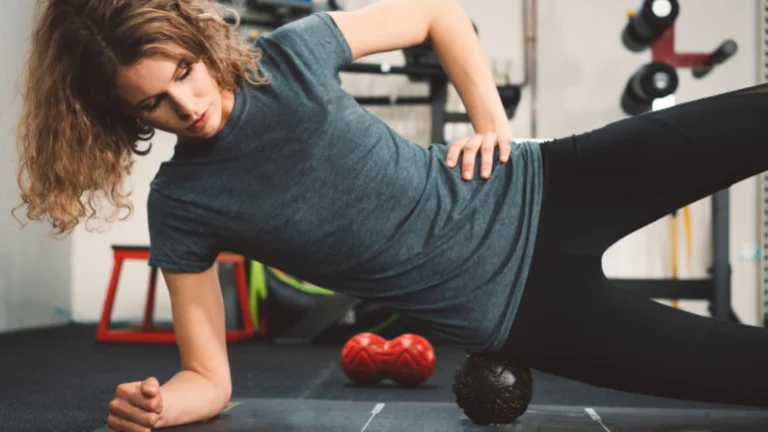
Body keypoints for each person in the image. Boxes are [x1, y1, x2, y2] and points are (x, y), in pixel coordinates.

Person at [12, 0, 768, 430]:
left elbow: (439, 14)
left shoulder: (290, 55)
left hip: (552, 182)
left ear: (198, 43)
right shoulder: (182, 206)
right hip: (524, 316)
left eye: (184, 72)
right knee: (746, 376)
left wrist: (491, 124)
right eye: (154, 103)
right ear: (121, 117)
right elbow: (207, 377)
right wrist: (158, 407)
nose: (190, 106)